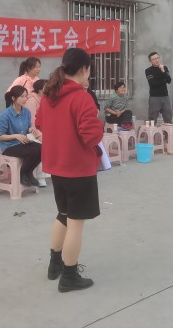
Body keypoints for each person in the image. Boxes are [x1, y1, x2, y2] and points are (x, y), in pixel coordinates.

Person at [35, 47, 103, 293]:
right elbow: (91, 136)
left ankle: (54, 265)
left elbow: (39, 123)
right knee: (75, 223)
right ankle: (70, 276)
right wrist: (97, 122)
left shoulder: (49, 95)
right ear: (84, 69)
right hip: (78, 169)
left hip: (57, 167)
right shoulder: (82, 98)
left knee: (63, 215)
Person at [0, 85, 42, 187]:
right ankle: (23, 173)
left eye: (26, 96)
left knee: (42, 149)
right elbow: (0, 136)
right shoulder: (4, 115)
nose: (25, 99)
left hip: (22, 143)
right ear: (13, 98)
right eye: (21, 96)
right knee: (33, 151)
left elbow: (27, 127)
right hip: (9, 146)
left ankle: (29, 172)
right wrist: (15, 136)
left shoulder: (26, 112)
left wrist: (30, 129)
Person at [24, 79, 48, 187]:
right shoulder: (32, 101)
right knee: (41, 146)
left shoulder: (45, 99)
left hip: (42, 131)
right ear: (39, 89)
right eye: (46, 87)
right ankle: (40, 176)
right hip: (30, 132)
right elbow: (32, 122)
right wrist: (39, 135)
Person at [145, 52, 172, 123]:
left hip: (165, 96)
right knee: (152, 120)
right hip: (154, 97)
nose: (157, 60)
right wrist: (163, 80)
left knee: (168, 118)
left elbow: (169, 80)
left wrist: (163, 71)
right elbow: (153, 83)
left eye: (157, 58)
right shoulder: (148, 70)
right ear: (150, 61)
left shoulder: (164, 68)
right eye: (154, 59)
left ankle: (167, 130)